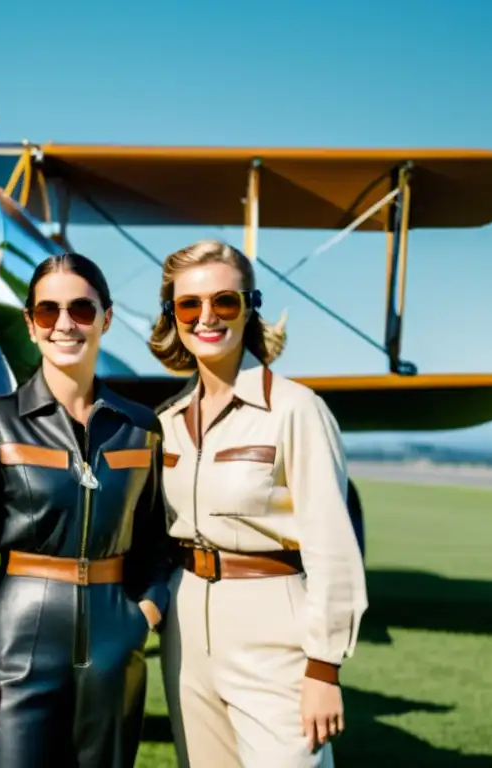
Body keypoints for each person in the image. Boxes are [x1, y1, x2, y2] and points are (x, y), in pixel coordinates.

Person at [147, 239, 368, 767]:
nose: (207, 317)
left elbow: (334, 548)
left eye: (225, 301)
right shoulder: (167, 420)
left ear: (249, 308)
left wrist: (323, 669)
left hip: (276, 634)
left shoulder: (297, 409)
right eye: (189, 304)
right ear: (172, 316)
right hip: (185, 635)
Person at [0, 252, 172, 767]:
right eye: (47, 312)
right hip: (17, 644)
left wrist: (145, 614)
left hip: (117, 641)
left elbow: (157, 544)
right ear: (30, 326)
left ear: (107, 319)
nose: (65, 324)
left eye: (82, 310)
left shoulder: (141, 427)